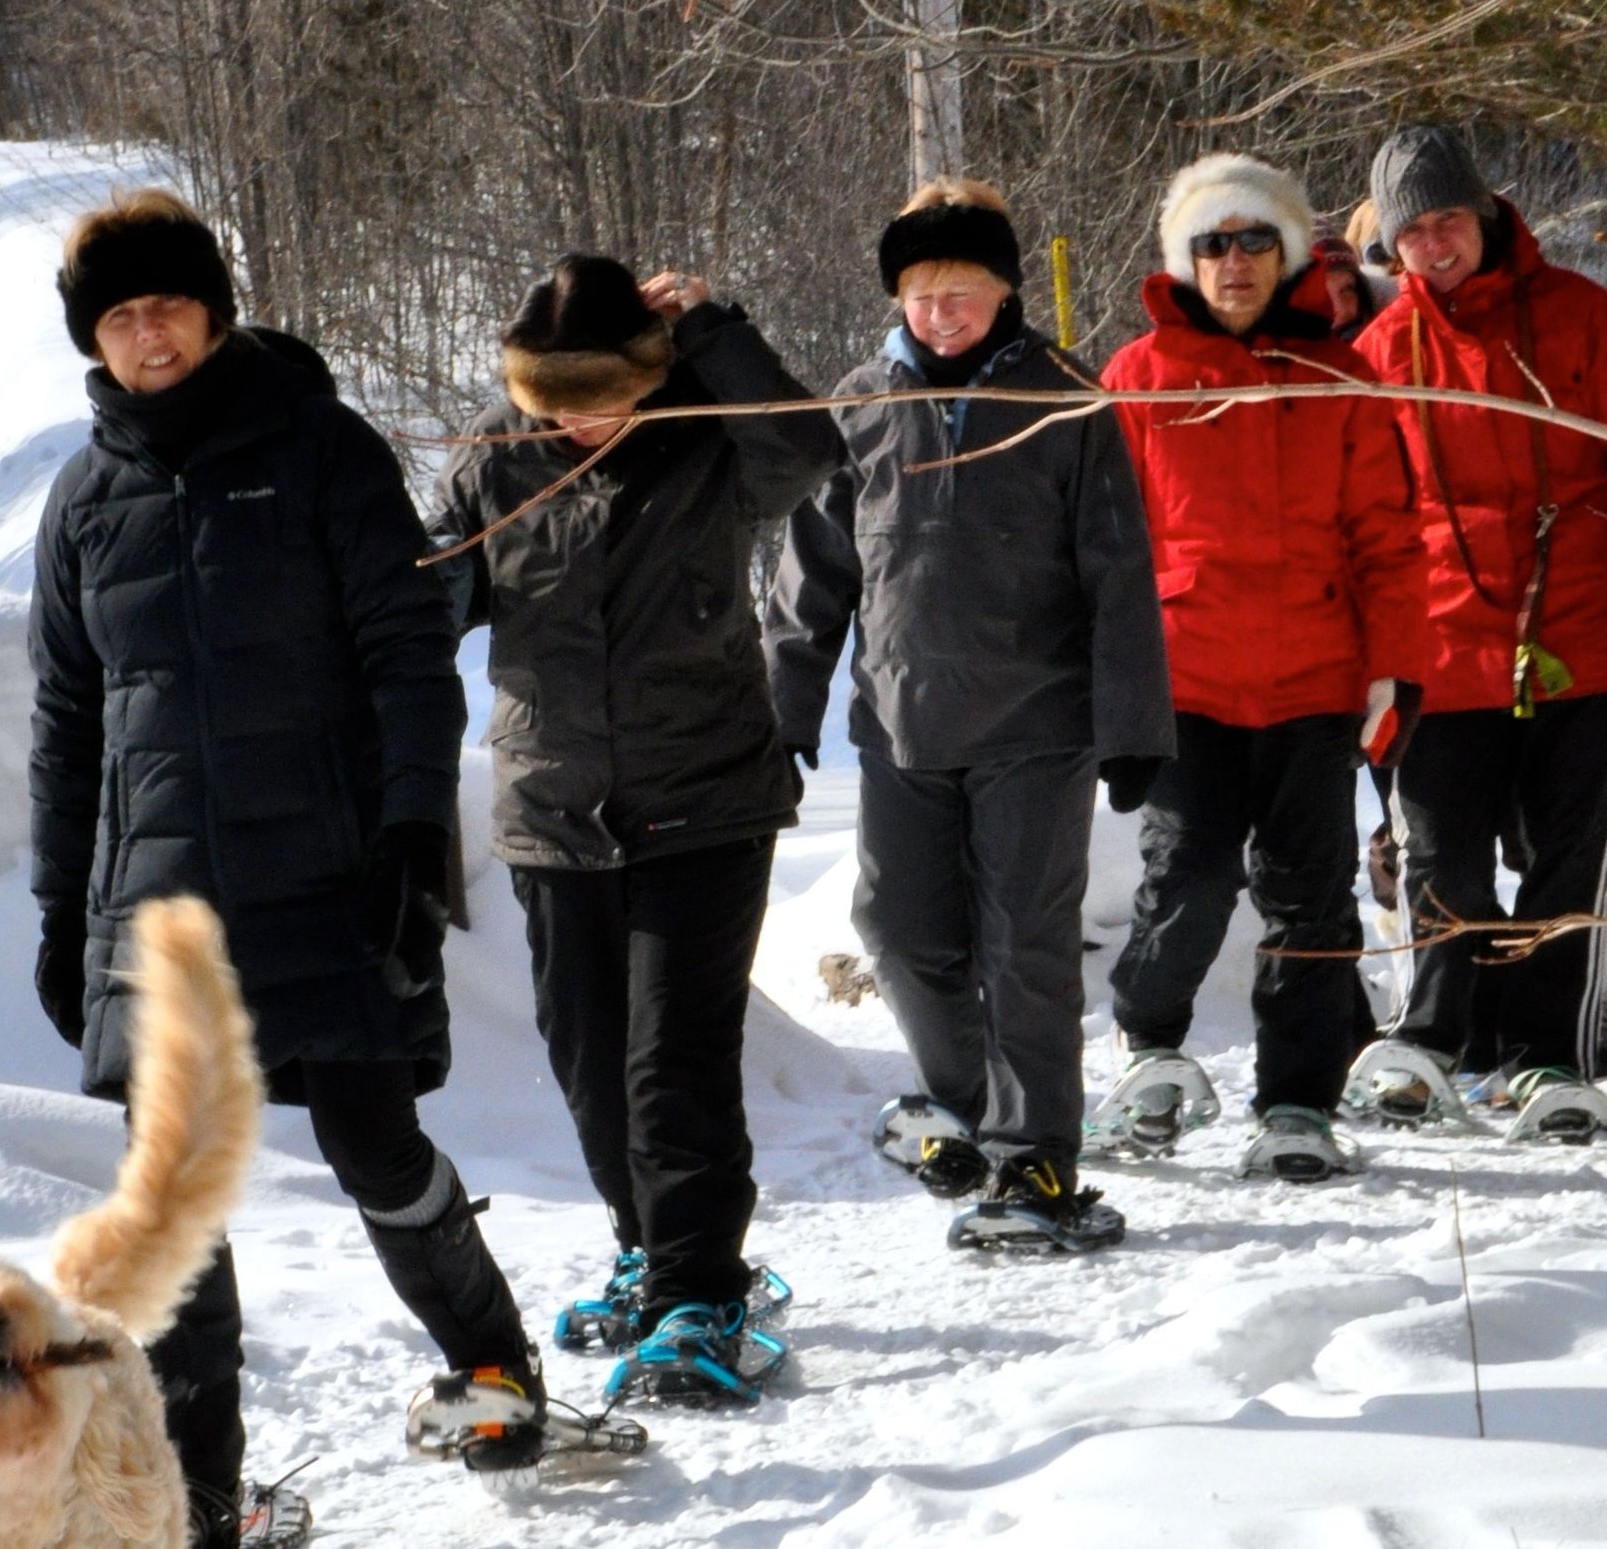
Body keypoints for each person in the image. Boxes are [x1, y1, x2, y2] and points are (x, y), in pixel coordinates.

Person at [29, 188, 548, 1534]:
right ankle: (197, 1492)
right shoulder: (84, 500)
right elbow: (65, 723)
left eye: (170, 307)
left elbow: (407, 656)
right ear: (97, 338)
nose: (149, 335)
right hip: (161, 910)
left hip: (327, 871)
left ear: (214, 311)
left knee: (376, 1143)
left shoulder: (322, 451)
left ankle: (494, 1366)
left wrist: (407, 838)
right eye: (121, 317)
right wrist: (55, 908)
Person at [428, 257, 840, 1404]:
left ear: (650, 375)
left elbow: (809, 454)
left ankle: (701, 1289)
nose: (578, 418)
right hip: (555, 809)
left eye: (604, 390)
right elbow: (429, 594)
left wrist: (716, 331)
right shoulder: (495, 460)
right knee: (590, 1060)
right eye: (555, 398)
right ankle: (649, 1247)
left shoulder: (707, 437)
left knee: (675, 1062)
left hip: (704, 796)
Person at [765, 178, 1174, 1253]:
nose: (940, 311)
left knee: (1024, 944)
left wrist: (1133, 726)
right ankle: (972, 1108)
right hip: (899, 721)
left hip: (1036, 724)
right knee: (898, 932)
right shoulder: (861, 401)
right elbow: (811, 574)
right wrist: (786, 706)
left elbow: (1119, 575)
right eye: (922, 291)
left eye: (964, 291)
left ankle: (1038, 1150)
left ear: (1004, 294)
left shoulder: (1065, 401)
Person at [1349, 126, 1607, 1142]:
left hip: (1587, 630)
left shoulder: (1578, 315)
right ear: (1391, 246)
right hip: (1439, 645)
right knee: (1443, 859)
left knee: (1566, 858)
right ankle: (1435, 1041)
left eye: (1448, 222)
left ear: (1487, 215)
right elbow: (1362, 518)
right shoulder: (1380, 352)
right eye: (1411, 231)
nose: (1434, 246)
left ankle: (1548, 1054)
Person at [1096, 154, 1428, 1182]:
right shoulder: (1135, 377)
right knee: (1187, 880)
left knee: (1309, 901)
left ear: (1285, 255)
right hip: (1185, 684)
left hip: (1312, 682)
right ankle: (1147, 1040)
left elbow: (1388, 537)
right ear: (1182, 261)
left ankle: (1295, 1102)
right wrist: (1111, 694)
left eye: (1251, 242)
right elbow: (1107, 553)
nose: (1231, 263)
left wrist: (1394, 671)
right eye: (1210, 244)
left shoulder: (1344, 377)